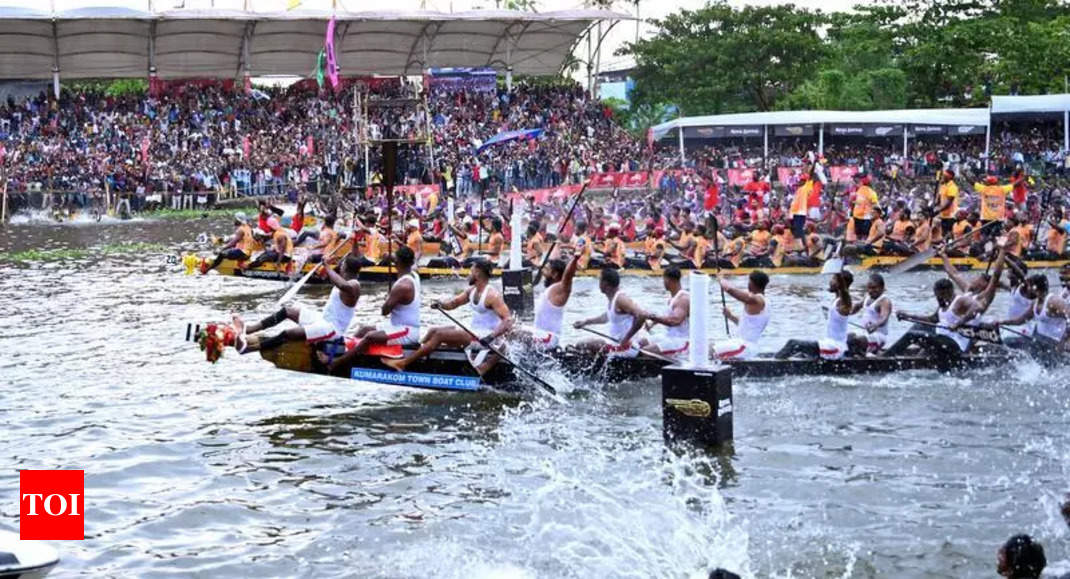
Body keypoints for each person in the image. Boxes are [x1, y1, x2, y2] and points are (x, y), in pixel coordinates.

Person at [383, 259, 512, 375]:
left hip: (486, 337)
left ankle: (403, 363)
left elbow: (508, 320)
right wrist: (440, 304)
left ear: (478, 274)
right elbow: (453, 303)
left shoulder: (492, 295)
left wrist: (491, 337)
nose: (468, 274)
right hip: (474, 331)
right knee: (433, 330)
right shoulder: (472, 291)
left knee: (440, 335)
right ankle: (419, 354)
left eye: (471, 272)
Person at [233, 254, 362, 353]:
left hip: (333, 330)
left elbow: (341, 285)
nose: (340, 266)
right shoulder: (346, 277)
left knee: (289, 333)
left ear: (345, 267)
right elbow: (332, 275)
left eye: (342, 264)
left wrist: (327, 266)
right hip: (323, 319)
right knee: (288, 311)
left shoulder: (353, 285)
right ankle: (249, 329)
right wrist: (328, 262)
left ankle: (248, 348)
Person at [326, 246, 421, 371]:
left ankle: (336, 363)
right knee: (363, 329)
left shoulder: (403, 286)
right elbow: (399, 259)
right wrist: (389, 256)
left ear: (397, 262)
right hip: (397, 327)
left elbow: (384, 311)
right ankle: (344, 351)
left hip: (407, 332)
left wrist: (389, 297)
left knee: (370, 336)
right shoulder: (414, 273)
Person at [885, 278, 981, 357]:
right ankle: (893, 354)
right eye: (937, 295)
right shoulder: (945, 303)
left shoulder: (960, 300)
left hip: (956, 345)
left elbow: (977, 307)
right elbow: (932, 319)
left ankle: (885, 357)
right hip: (941, 340)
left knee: (912, 335)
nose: (939, 297)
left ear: (949, 290)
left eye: (941, 295)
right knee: (918, 326)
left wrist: (958, 323)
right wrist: (908, 316)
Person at [775, 270, 854, 359]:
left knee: (793, 343)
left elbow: (844, 290)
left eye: (834, 279)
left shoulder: (845, 302)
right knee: (797, 353)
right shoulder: (837, 301)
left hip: (835, 348)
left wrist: (837, 271)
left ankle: (771, 366)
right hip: (828, 344)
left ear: (841, 283)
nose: (831, 282)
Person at [572, 268, 646, 357]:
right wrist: (585, 322)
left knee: (582, 345)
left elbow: (642, 315)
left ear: (605, 284)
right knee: (585, 348)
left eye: (600, 280)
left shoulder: (621, 299)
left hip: (625, 348)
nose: (598, 284)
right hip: (617, 344)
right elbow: (606, 317)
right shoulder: (614, 298)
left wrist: (627, 338)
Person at [511, 253, 580, 349]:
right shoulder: (551, 289)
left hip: (549, 339)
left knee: (513, 332)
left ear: (555, 274)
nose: (543, 271)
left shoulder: (560, 288)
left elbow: (568, 276)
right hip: (541, 335)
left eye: (547, 269)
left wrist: (575, 259)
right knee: (512, 326)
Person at [995, 274, 1069, 356]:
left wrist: (1063, 341)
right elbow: (1020, 320)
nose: (1027, 288)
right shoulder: (1035, 302)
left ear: (1035, 287)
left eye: (1029, 285)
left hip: (1053, 343)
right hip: (1038, 339)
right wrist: (1001, 322)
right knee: (1008, 342)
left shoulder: (1054, 301)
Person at [714, 270, 770, 360]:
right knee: (709, 347)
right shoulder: (763, 301)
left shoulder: (756, 300)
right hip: (742, 346)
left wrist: (720, 278)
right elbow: (746, 324)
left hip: (744, 348)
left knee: (708, 352)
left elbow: (731, 290)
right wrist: (730, 316)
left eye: (749, 281)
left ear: (752, 284)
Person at [638, 267, 690, 359]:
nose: (663, 283)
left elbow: (675, 321)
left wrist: (652, 317)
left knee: (645, 351)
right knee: (640, 343)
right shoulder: (672, 299)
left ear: (670, 280)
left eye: (664, 279)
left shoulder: (683, 299)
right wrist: (651, 324)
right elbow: (666, 317)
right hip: (668, 337)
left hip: (681, 341)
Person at [850, 273, 893, 354]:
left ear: (882, 288)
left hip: (879, 336)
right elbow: (857, 306)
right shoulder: (867, 297)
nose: (870, 291)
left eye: (874, 288)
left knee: (857, 340)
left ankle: (863, 356)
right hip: (865, 333)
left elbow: (884, 317)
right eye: (869, 288)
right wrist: (844, 313)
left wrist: (876, 325)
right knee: (847, 337)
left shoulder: (884, 301)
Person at [851, 174, 880, 239]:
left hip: (866, 217)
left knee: (864, 235)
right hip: (858, 216)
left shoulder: (871, 193)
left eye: (860, 182)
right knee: (858, 234)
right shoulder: (860, 191)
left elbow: (875, 204)